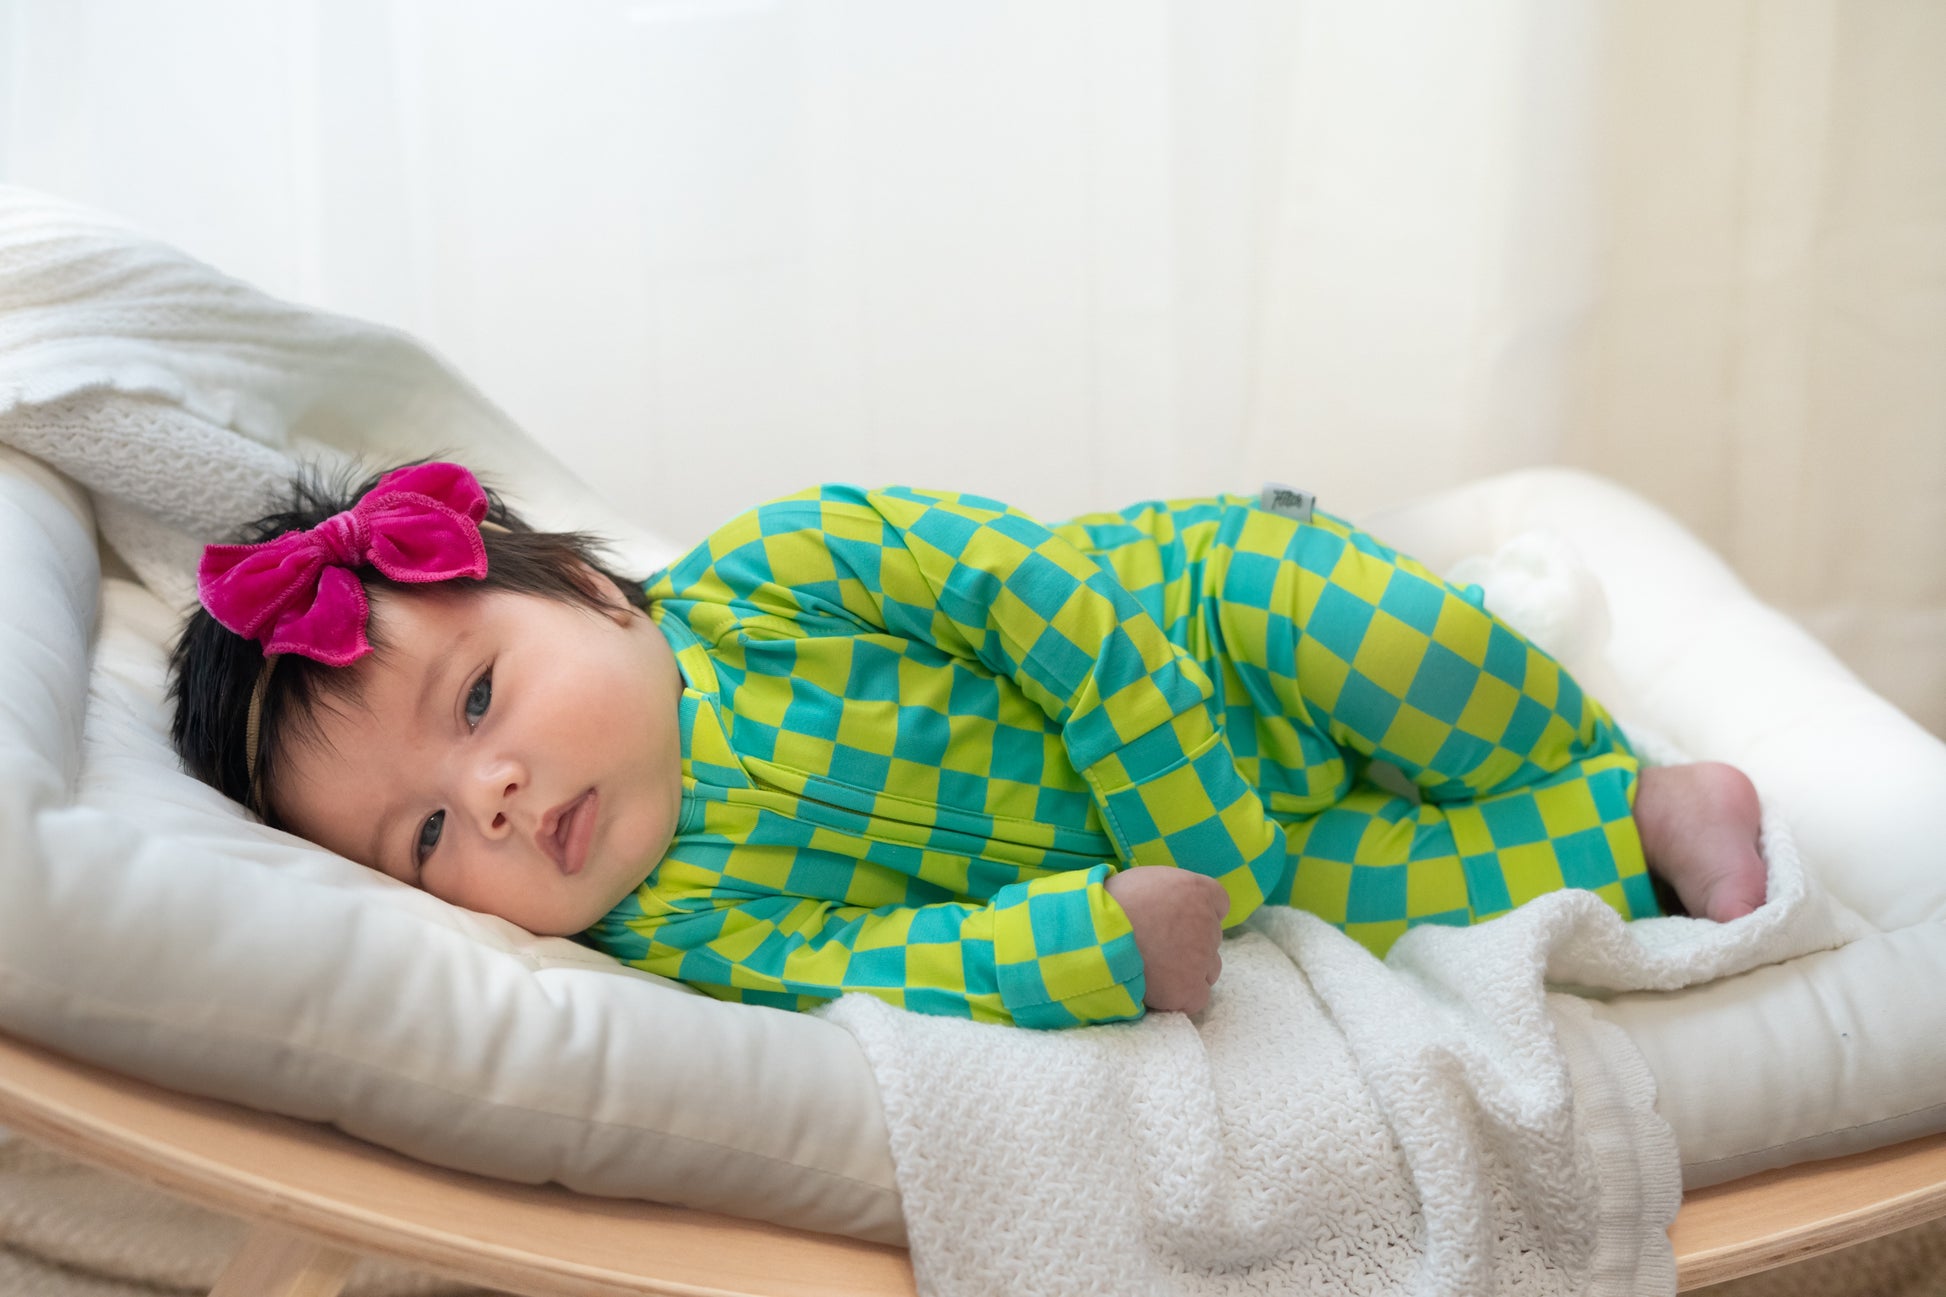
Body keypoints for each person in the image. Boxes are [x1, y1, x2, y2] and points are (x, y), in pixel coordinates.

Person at [169, 459, 1769, 1029]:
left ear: (593, 593)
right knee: (1374, 900)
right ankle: (1632, 820)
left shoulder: (779, 569)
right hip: (1205, 865)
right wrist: (1092, 941)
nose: (492, 796)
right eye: (423, 839)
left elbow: (1031, 589)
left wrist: (1184, 803)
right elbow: (890, 966)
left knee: (1383, 639)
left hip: (1197, 632)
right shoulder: (684, 928)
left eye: (475, 701)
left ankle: (1570, 743)